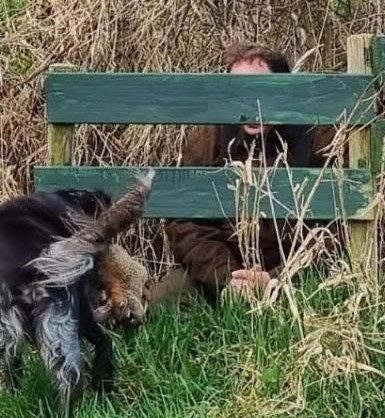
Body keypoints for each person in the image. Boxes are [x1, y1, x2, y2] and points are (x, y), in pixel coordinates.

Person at [147, 43, 345, 305]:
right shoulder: (210, 137)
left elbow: (335, 228)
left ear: (283, 90)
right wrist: (227, 277)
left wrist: (278, 280)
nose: (251, 104)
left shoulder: (318, 137)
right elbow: (186, 223)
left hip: (294, 274)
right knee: (163, 302)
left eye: (262, 91)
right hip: (224, 270)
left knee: (325, 299)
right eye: (240, 92)